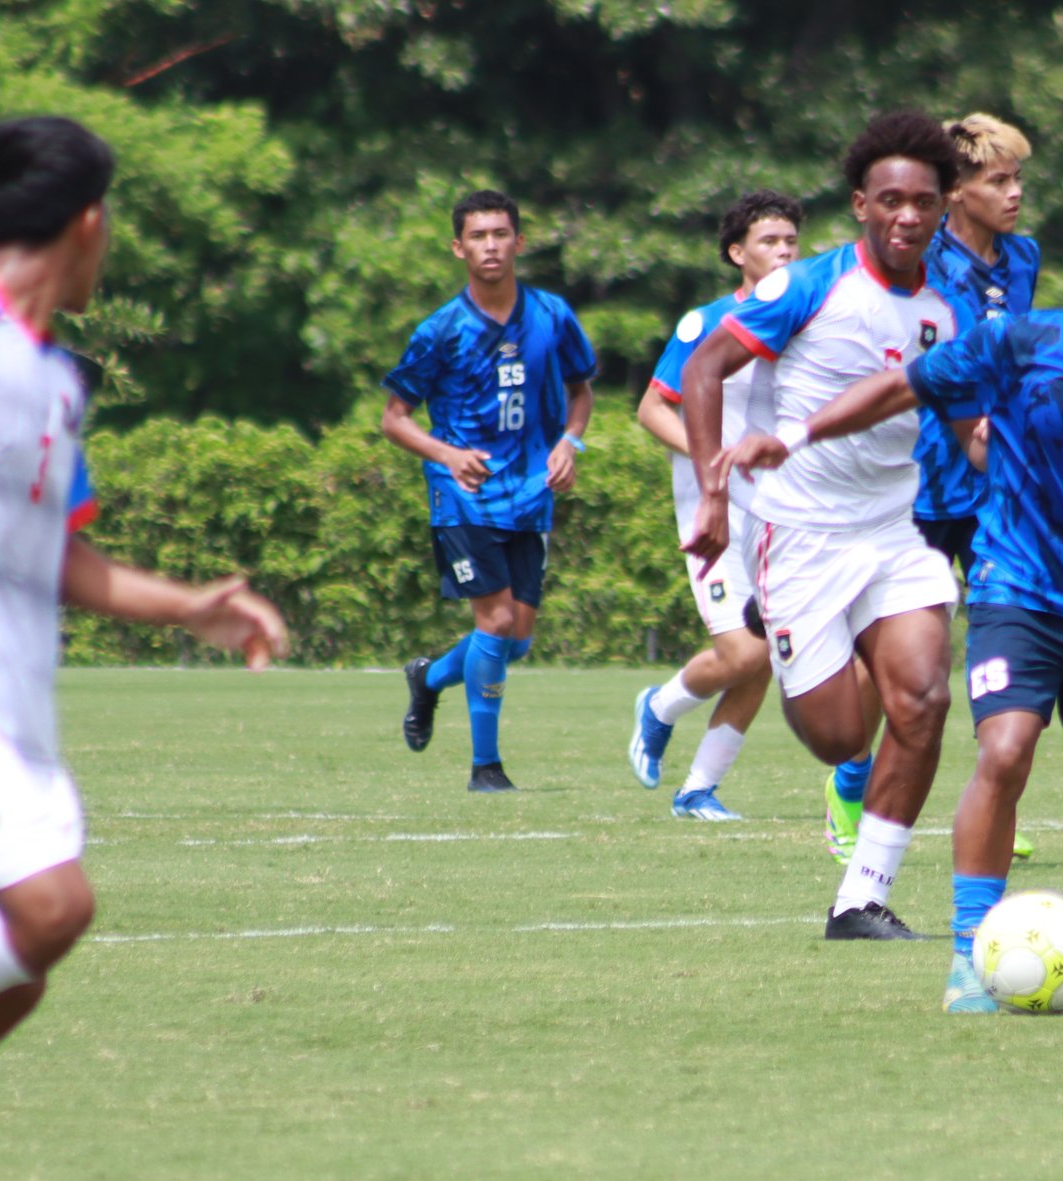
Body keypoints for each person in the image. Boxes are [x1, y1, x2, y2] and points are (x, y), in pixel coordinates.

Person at [723, 198, 1063, 1012]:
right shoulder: (1019, 343)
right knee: (1003, 752)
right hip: (1018, 589)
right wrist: (796, 438)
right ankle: (972, 953)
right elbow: (901, 385)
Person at [0, 115, 288, 1067]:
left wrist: (192, 606)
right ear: (89, 223)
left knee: (20, 969)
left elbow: (59, 556)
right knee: (50, 905)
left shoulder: (51, 380)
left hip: (14, 701)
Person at [680, 111, 964, 941]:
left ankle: (859, 899)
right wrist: (713, 493)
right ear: (860, 206)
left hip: (896, 531)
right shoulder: (806, 285)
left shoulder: (950, 312)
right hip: (800, 531)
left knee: (926, 698)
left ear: (943, 208)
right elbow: (704, 369)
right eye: (890, 201)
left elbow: (973, 419)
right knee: (844, 734)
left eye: (923, 202)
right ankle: (802, 637)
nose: (907, 216)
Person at [385, 189, 597, 793]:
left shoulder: (553, 315)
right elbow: (394, 418)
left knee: (517, 640)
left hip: (530, 492)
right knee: (496, 622)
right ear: (459, 248)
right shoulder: (441, 330)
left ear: (519, 242)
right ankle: (486, 768)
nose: (491, 246)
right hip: (463, 496)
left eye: (501, 234)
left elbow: (581, 391)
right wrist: (448, 455)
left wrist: (570, 444)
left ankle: (427, 680)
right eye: (478, 236)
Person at [626, 190, 802, 820]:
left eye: (790, 242)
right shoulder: (704, 324)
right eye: (768, 242)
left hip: (784, 515)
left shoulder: (808, 319)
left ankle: (697, 789)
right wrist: (712, 468)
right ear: (737, 254)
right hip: (714, 512)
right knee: (743, 654)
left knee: (765, 659)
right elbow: (652, 407)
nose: (783, 252)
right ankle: (660, 706)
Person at [903, 112, 1044, 865]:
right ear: (956, 191)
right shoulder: (926, 265)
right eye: (999, 180)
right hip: (928, 481)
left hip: (998, 483)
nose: (1015, 192)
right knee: (913, 671)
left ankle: (998, 805)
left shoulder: (1024, 259)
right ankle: (854, 782)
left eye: (1018, 178)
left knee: (1007, 640)